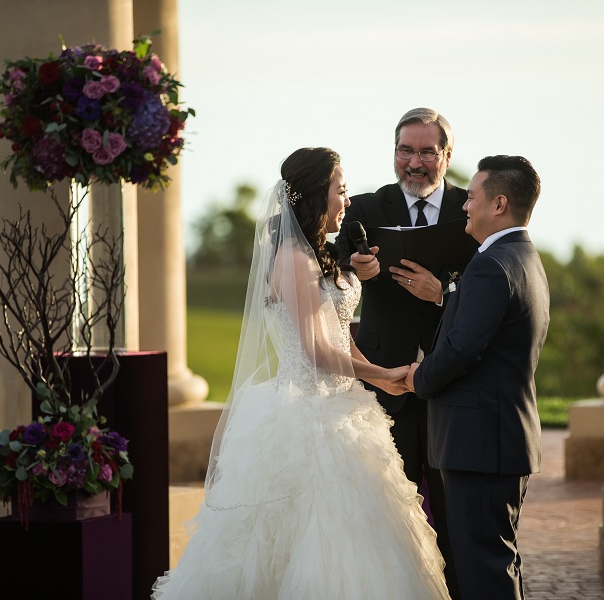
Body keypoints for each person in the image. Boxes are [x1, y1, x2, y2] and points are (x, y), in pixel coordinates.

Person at [152, 147, 450, 600]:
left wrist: (376, 376)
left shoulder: (321, 255)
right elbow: (314, 351)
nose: (347, 202)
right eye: (341, 191)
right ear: (316, 196)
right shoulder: (293, 259)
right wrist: (382, 370)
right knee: (304, 540)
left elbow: (337, 335)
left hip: (342, 408)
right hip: (306, 415)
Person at [336, 107, 475, 597]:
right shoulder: (368, 208)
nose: (414, 163)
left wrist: (444, 290)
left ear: (446, 155)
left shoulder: (469, 208)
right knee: (389, 507)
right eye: (405, 150)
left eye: (426, 152)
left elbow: (488, 281)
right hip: (383, 383)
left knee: (453, 511)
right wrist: (355, 266)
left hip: (450, 382)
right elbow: (330, 257)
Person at [406, 155, 550, 600]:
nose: (464, 206)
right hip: (497, 439)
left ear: (499, 203)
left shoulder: (492, 264)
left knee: (483, 567)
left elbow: (462, 349)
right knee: (495, 560)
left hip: (482, 443)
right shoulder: (522, 256)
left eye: (471, 197)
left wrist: (417, 379)